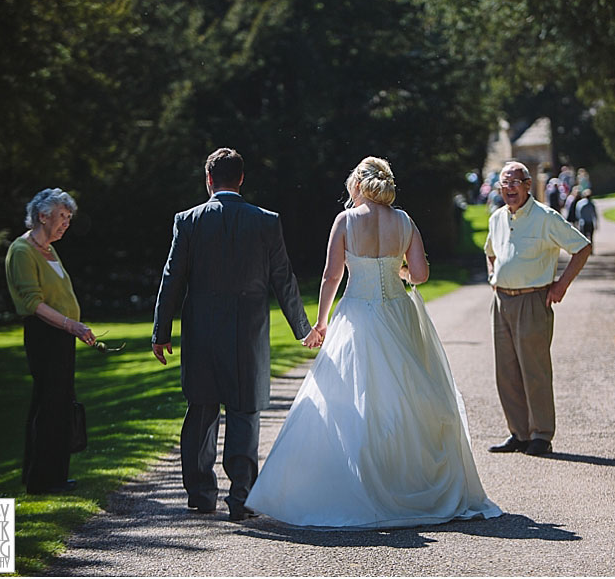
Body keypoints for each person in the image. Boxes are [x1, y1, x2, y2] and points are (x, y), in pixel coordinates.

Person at [245, 156, 502, 528]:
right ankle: (409, 480)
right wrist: (394, 269)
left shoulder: (347, 220)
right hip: (399, 312)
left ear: (357, 184)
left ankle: (361, 483)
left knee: (350, 400)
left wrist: (320, 322)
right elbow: (420, 274)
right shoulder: (404, 220)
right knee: (406, 398)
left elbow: (332, 275)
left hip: (358, 314)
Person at [151, 148, 318, 521]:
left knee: (201, 410)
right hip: (248, 333)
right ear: (241, 179)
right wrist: (302, 329)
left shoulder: (188, 221)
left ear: (208, 179)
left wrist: (161, 332)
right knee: (243, 413)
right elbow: (283, 279)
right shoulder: (266, 221)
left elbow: (171, 278)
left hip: (201, 334)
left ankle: (200, 493)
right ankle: (240, 499)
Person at [485, 162, 591, 456]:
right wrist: (493, 277)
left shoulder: (546, 217)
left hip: (533, 300)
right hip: (502, 301)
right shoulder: (497, 218)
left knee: (535, 370)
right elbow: (490, 252)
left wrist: (561, 286)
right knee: (506, 372)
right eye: (504, 185)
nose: (509, 189)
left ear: (528, 185)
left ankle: (541, 434)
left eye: (515, 183)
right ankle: (518, 433)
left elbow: (582, 247)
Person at [5, 188, 96, 494]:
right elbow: (34, 304)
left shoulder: (49, 249)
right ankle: (41, 479)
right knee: (49, 404)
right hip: (45, 335)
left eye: (69, 218)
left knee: (59, 404)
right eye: (61, 217)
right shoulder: (22, 251)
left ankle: (53, 475)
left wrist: (72, 328)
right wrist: (71, 324)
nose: (66, 224)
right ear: (42, 216)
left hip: (62, 336)